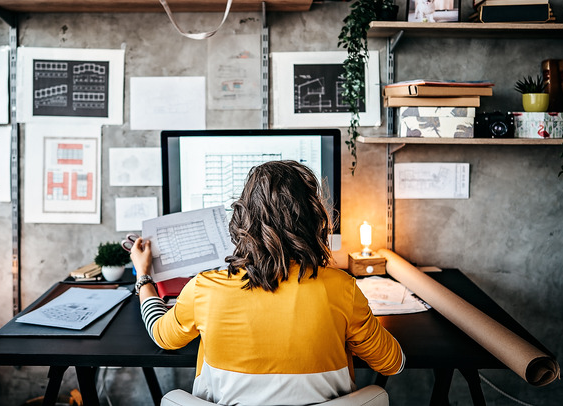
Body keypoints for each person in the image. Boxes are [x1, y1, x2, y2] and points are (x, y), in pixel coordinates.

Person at [131, 160, 404, 405]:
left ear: (241, 219)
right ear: (315, 220)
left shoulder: (205, 288)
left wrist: (144, 276)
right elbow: (393, 363)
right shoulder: (342, 288)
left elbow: (161, 334)